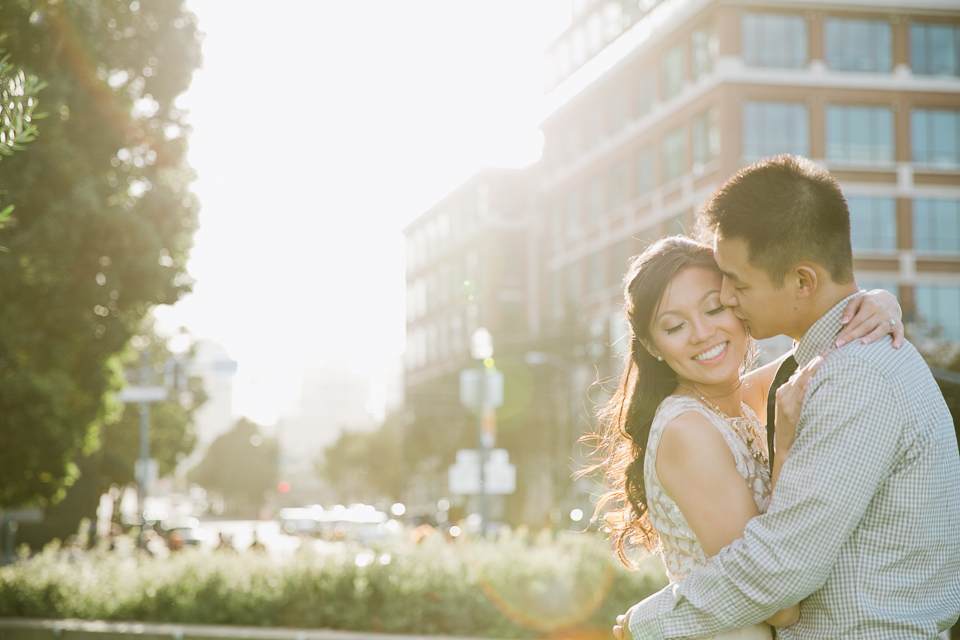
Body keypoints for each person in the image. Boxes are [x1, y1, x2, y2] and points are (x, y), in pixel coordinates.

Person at [616, 156, 960, 639]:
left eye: (731, 288)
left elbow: (779, 568)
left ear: (802, 281)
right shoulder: (823, 365)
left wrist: (645, 623)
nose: (730, 301)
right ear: (652, 343)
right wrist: (878, 300)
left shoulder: (850, 377)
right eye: (674, 325)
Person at [593, 234, 902, 640]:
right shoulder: (687, 432)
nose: (703, 333)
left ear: (738, 305)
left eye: (715, 307)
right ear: (651, 344)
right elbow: (780, 606)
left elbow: (823, 345)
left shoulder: (740, 397)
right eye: (675, 326)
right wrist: (785, 447)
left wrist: (880, 301)